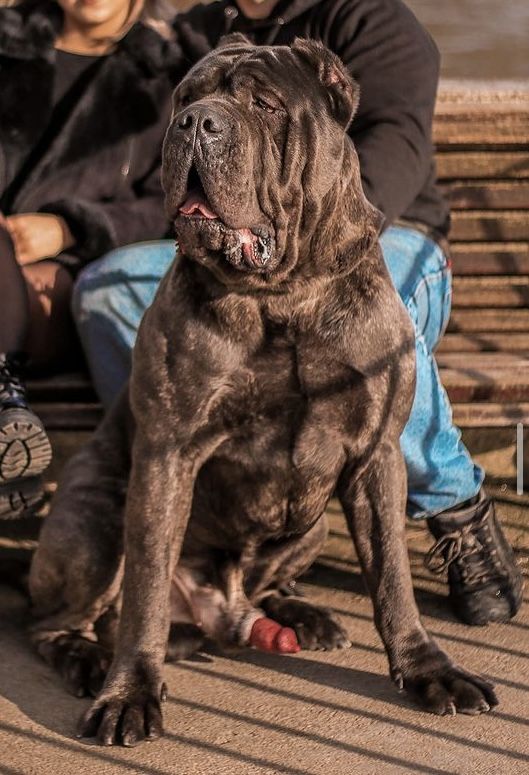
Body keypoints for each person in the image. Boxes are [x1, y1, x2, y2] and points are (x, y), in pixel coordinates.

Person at [72, 0, 522, 627]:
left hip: (382, 236)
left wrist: (311, 258)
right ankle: (192, 517)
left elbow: (398, 148)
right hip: (247, 241)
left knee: (366, 316)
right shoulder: (196, 31)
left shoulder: (369, 19)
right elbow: (153, 152)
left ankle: (455, 506)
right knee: (107, 287)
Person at [0, 0, 182, 517]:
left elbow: (170, 203)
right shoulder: (6, 46)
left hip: (75, 284)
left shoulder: (165, 75)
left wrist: (68, 226)